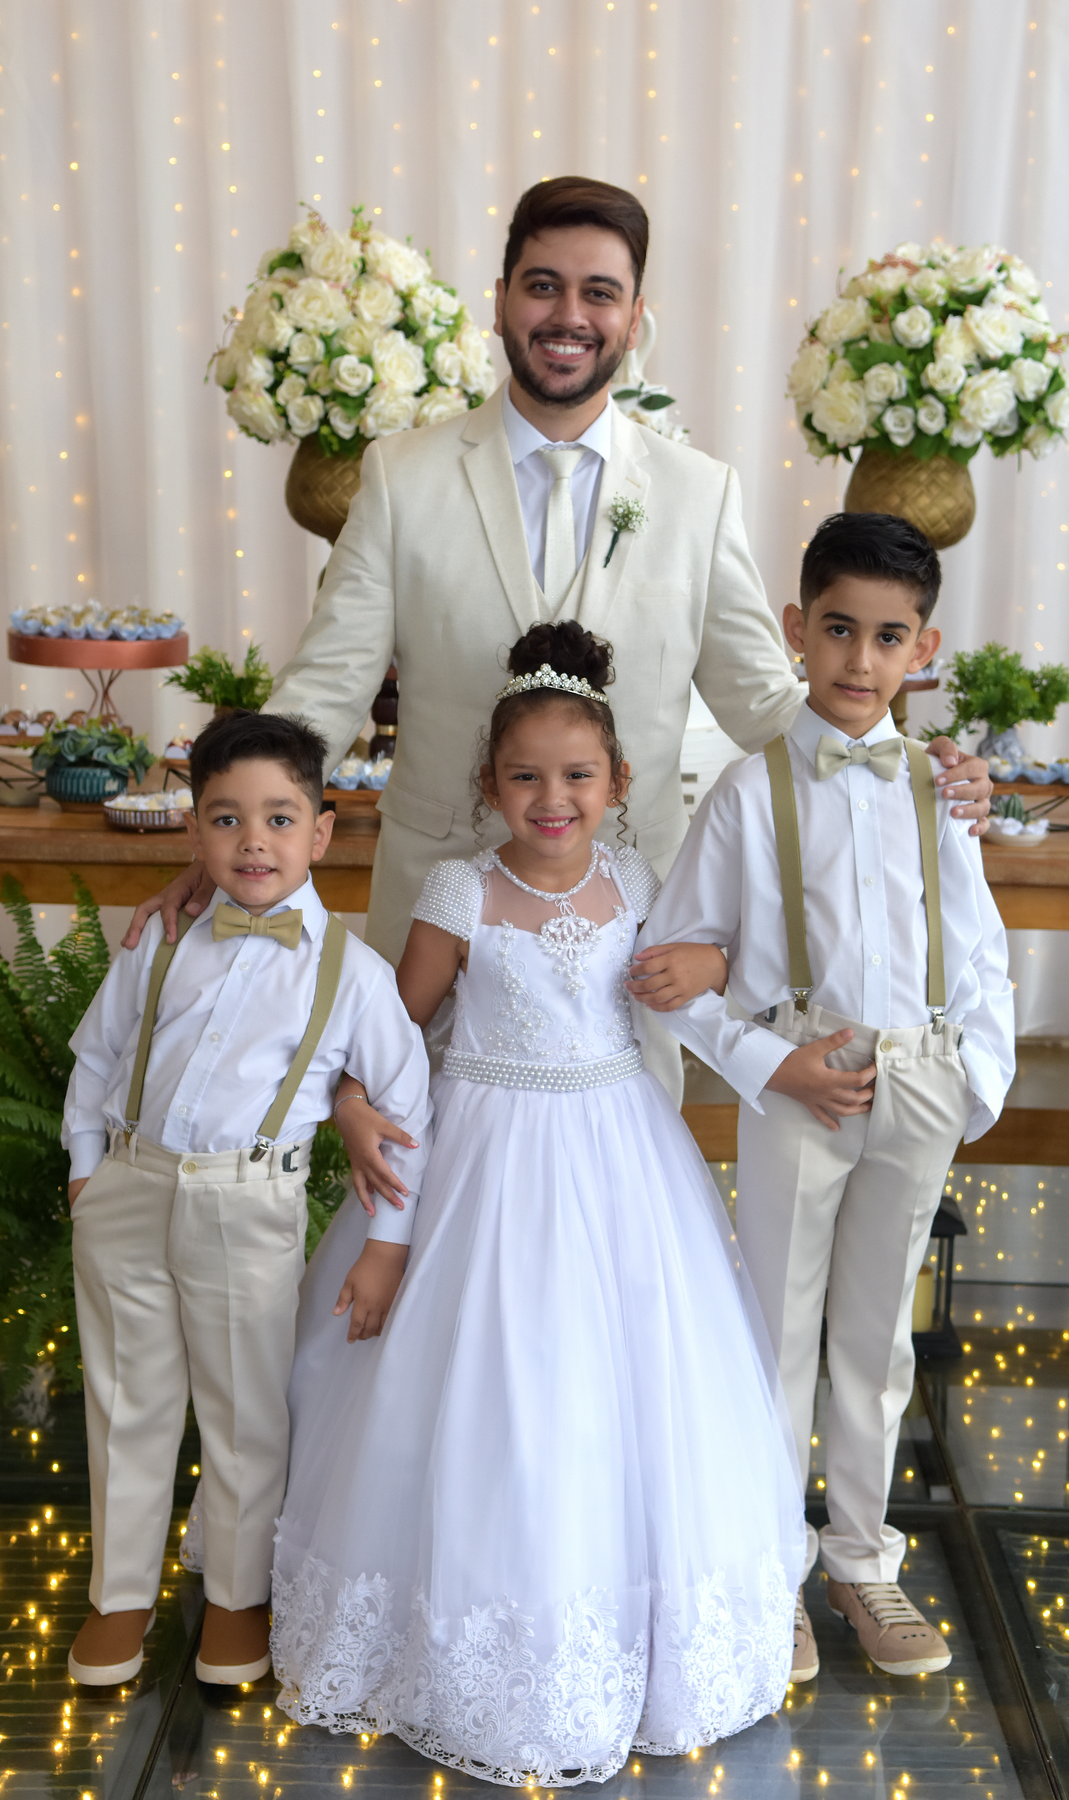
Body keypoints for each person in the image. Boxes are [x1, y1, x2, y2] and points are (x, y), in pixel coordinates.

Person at [123, 175, 992, 1102]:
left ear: (634, 317)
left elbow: (768, 706)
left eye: (598, 292)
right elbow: (324, 692)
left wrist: (902, 770)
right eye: (542, 285)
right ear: (499, 300)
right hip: (437, 916)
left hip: (623, 937)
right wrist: (229, 835)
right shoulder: (402, 477)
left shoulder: (699, 495)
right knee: (416, 1202)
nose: (567, 314)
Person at [269, 622, 806, 1785]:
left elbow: (687, 978)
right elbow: (394, 1026)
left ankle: (641, 1639)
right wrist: (354, 1104)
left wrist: (708, 968)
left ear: (616, 783)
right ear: (487, 784)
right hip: (483, 1156)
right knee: (487, 1384)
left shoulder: (638, 880)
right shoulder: (460, 890)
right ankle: (454, 1633)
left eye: (577, 776)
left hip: (618, 1154)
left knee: (625, 1390)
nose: (551, 798)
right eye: (526, 776)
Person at [633, 514, 1015, 1682]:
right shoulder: (749, 795)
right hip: (798, 1089)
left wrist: (970, 1085)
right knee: (776, 1335)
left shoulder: (942, 793)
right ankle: (768, 1567)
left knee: (876, 1340)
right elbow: (667, 968)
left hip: (918, 1088)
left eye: (887, 637)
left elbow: (978, 946)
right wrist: (769, 1064)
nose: (858, 660)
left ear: (924, 648)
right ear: (798, 630)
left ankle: (863, 1561)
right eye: (838, 630)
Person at [61, 711, 430, 1690]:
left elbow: (405, 1105)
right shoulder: (161, 938)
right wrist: (86, 1168)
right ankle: (120, 1596)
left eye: (277, 818)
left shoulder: (353, 974)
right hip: (130, 1190)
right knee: (127, 1397)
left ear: (321, 830)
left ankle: (236, 1595)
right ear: (194, 834)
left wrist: (388, 1238)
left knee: (243, 1409)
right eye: (225, 819)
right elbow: (97, 1058)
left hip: (246, 1202)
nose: (252, 841)